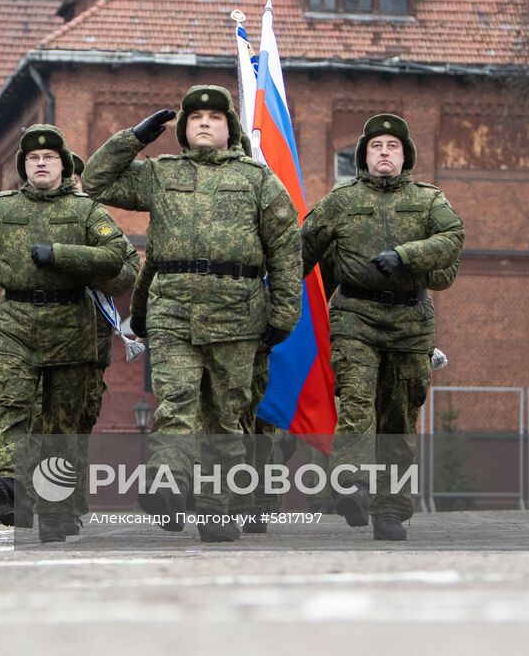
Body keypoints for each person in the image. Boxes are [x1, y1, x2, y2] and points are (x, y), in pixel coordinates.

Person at [82, 86, 301, 542]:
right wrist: (135, 137)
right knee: (176, 402)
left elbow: (285, 248)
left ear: (230, 129)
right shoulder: (161, 174)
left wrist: (283, 312)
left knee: (226, 414)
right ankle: (167, 485)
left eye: (215, 117)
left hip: (237, 310)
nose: (204, 122)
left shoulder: (258, 180)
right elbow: (96, 182)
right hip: (173, 308)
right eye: (195, 116)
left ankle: (215, 509)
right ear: (182, 129)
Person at [0, 124, 137, 542]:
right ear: (23, 167)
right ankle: (9, 484)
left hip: (72, 326)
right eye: (33, 158)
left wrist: (62, 256)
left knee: (63, 424)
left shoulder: (86, 211)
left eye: (49, 158)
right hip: (15, 321)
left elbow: (117, 254)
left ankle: (57, 506)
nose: (41, 163)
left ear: (63, 166)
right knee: (11, 401)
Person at [300, 113, 464, 541]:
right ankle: (351, 484)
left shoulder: (429, 200)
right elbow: (301, 254)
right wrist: (279, 300)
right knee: (357, 400)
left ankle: (390, 509)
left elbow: (452, 238)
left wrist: (406, 257)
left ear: (404, 156)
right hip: (356, 315)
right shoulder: (340, 200)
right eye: (376, 147)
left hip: (411, 322)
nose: (384, 153)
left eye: (392, 146)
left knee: (398, 417)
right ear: (364, 156)